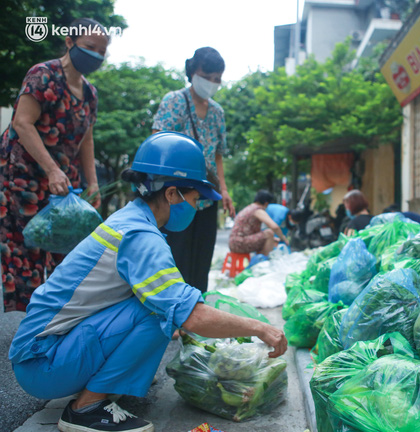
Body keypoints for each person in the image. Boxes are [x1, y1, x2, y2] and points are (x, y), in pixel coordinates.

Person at [9, 132, 287, 432]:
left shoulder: (130, 220)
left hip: (44, 350)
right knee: (161, 312)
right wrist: (262, 329)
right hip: (42, 363)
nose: (196, 209)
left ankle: (108, 381)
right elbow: (191, 315)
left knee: (161, 304)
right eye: (195, 200)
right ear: (171, 194)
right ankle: (86, 409)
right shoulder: (140, 236)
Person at [1, 18, 109, 312]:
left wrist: (93, 182)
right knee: (27, 253)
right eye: (90, 47)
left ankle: (54, 320)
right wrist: (50, 169)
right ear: (69, 42)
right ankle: (25, 327)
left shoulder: (90, 93)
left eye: (103, 50)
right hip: (26, 177)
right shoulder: (43, 75)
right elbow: (22, 123)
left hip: (64, 184)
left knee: (67, 251)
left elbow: (86, 140)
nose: (97, 55)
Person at [152, 47, 235, 292]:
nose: (211, 83)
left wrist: (224, 189)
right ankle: (172, 313)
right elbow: (158, 140)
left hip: (207, 197)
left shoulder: (218, 112)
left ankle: (195, 312)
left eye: (217, 79)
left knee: (201, 260)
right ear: (192, 72)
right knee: (175, 256)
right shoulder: (175, 101)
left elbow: (218, 154)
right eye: (206, 76)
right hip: (176, 196)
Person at [229, 190, 289, 256]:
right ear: (266, 203)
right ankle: (264, 262)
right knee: (269, 233)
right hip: (239, 244)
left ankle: (260, 260)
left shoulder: (249, 208)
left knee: (267, 237)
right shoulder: (258, 210)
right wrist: (283, 238)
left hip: (234, 242)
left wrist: (274, 239)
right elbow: (274, 227)